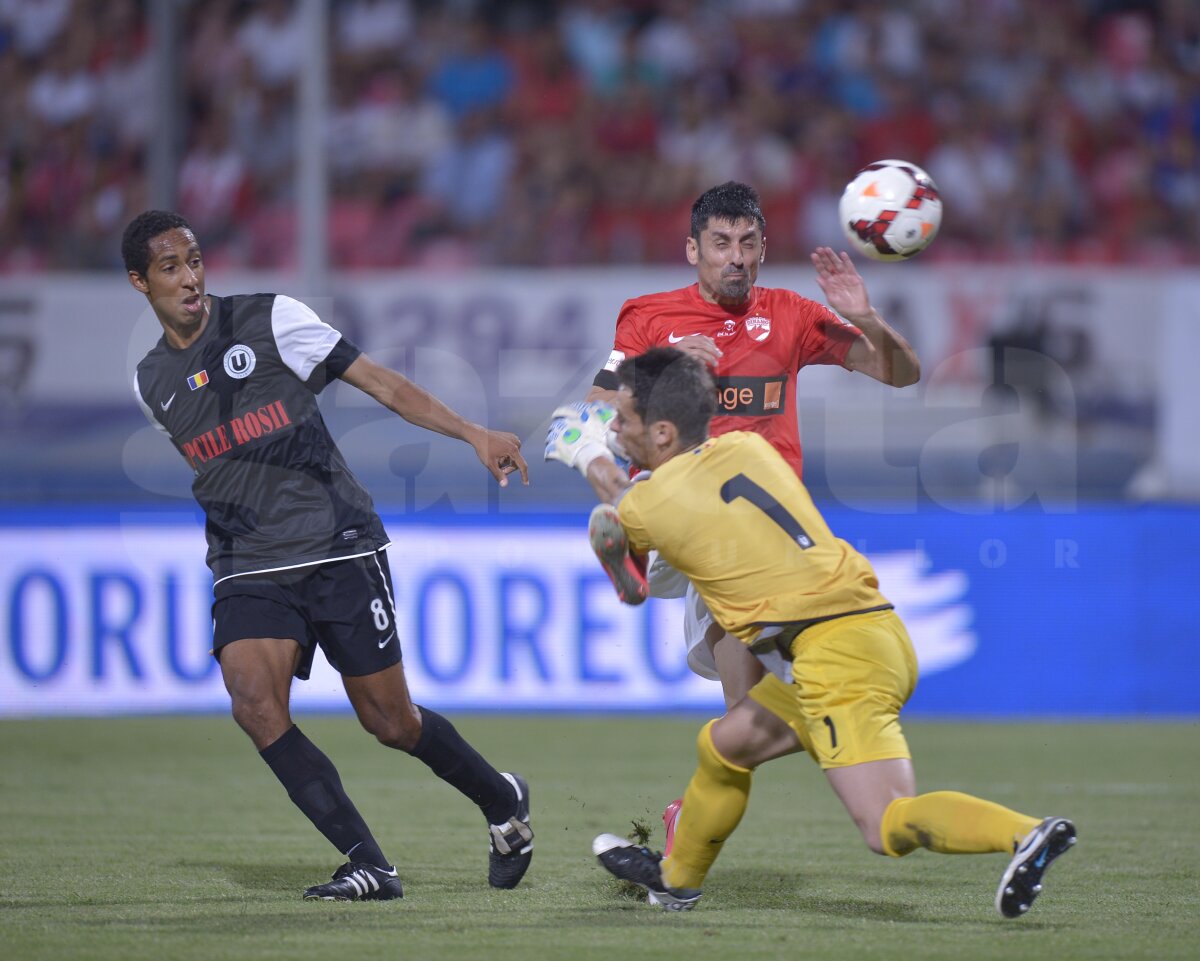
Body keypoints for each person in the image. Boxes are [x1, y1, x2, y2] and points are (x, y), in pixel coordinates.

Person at [545, 348, 1076, 918]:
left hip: (834, 658)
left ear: (664, 432)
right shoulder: (748, 447)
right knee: (726, 745)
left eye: (624, 419)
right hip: (866, 633)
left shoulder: (656, 501)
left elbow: (625, 516)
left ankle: (1025, 834)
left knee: (885, 823)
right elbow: (642, 524)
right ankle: (677, 879)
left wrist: (585, 450)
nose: (615, 429)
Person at [123, 210, 534, 901]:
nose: (190, 278)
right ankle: (369, 863)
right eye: (171, 268)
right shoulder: (150, 382)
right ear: (140, 282)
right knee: (254, 703)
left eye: (194, 260)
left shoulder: (270, 318)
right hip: (247, 558)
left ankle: (502, 798)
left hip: (334, 543)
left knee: (390, 721)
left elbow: (381, 383)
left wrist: (472, 432)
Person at [584, 180, 920, 849]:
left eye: (748, 242)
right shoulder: (649, 317)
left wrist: (868, 317)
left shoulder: (791, 314)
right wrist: (668, 368)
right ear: (693, 250)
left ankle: (682, 840)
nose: (735, 256)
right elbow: (595, 411)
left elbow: (901, 374)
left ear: (764, 248)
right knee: (764, 711)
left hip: (776, 538)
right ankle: (636, 543)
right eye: (720, 243)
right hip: (697, 520)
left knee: (747, 716)